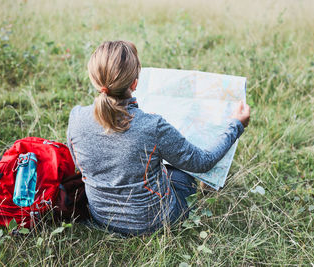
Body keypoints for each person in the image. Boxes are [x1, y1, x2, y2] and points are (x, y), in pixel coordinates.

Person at [67, 40, 250, 236]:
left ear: (94, 79)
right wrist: (236, 125)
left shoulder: (76, 117)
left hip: (101, 217)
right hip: (155, 221)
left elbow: (80, 163)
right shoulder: (152, 126)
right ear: (135, 83)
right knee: (182, 174)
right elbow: (202, 162)